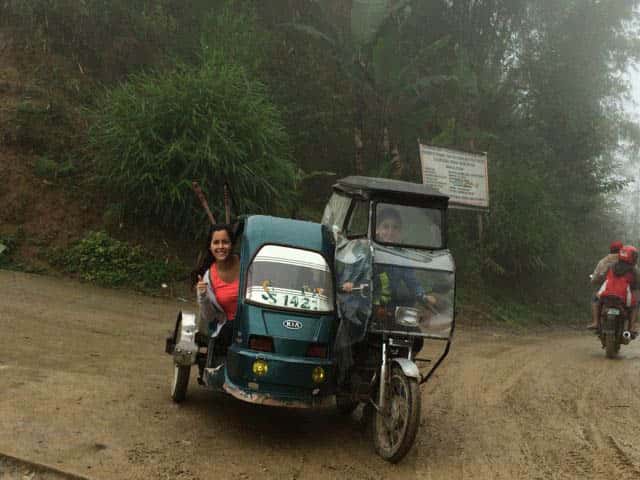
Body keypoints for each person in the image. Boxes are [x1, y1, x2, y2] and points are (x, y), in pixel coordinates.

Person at [342, 206, 436, 307]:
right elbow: (352, 269)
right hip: (362, 301)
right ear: (377, 229)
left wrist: (423, 295)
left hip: (387, 305)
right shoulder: (366, 250)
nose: (390, 232)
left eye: (395, 228)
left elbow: (412, 281)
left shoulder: (402, 257)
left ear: (400, 232)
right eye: (385, 227)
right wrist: (349, 282)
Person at [191, 224, 240, 347]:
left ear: (232, 244)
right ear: (210, 246)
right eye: (216, 242)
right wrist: (203, 296)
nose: (221, 247)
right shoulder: (207, 278)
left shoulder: (247, 264)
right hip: (229, 330)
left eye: (225, 242)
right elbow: (209, 317)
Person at [595, 245, 639, 337]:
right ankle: (632, 327)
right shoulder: (633, 270)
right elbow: (636, 285)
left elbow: (602, 277)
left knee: (597, 301)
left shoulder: (611, 266)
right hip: (623, 297)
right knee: (634, 306)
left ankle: (596, 323)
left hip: (607, 295)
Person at [587, 241, 623, 330]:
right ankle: (632, 326)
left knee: (595, 299)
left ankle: (596, 322)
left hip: (606, 290)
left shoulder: (603, 261)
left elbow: (595, 277)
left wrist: (594, 280)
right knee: (633, 304)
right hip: (622, 290)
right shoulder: (626, 262)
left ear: (610, 250)